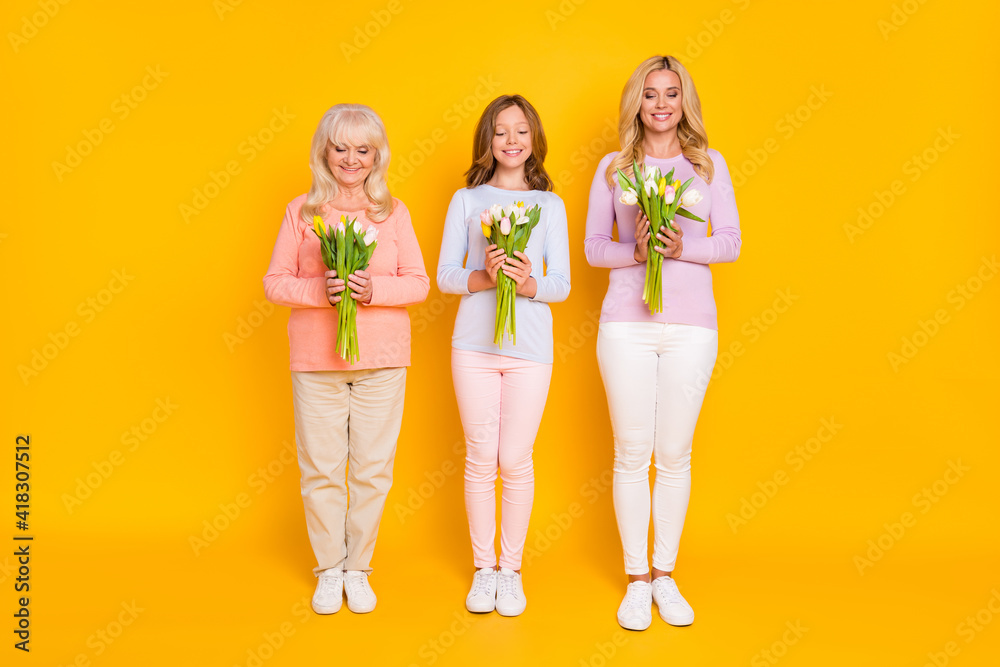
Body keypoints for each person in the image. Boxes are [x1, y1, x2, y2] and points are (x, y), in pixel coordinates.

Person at [584, 56, 741, 631]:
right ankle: (635, 579)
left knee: (674, 453)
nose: (660, 104)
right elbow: (593, 247)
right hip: (625, 324)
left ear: (684, 102)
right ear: (637, 103)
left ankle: (666, 574)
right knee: (631, 451)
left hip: (693, 328)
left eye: (671, 94)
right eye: (649, 94)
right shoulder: (614, 168)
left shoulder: (708, 165)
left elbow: (730, 242)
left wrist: (679, 249)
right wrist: (638, 249)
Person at [263, 103, 429, 615]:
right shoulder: (303, 211)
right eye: (341, 148)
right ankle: (328, 569)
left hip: (382, 359)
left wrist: (371, 288)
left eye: (363, 149)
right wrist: (324, 290)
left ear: (377, 155)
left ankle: (358, 569)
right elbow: (273, 283)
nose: (351, 159)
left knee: (373, 469)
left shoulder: (392, 212)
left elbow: (420, 283)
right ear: (324, 152)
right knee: (321, 470)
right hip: (316, 362)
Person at [437, 94, 570, 617]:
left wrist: (526, 282)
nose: (511, 141)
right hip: (472, 346)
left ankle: (511, 571)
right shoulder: (466, 201)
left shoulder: (550, 206)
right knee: (479, 457)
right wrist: (484, 276)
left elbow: (560, 284)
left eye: (520, 131)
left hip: (531, 350)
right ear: (486, 141)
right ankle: (483, 569)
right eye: (500, 131)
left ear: (534, 139)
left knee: (514, 459)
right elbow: (446, 274)